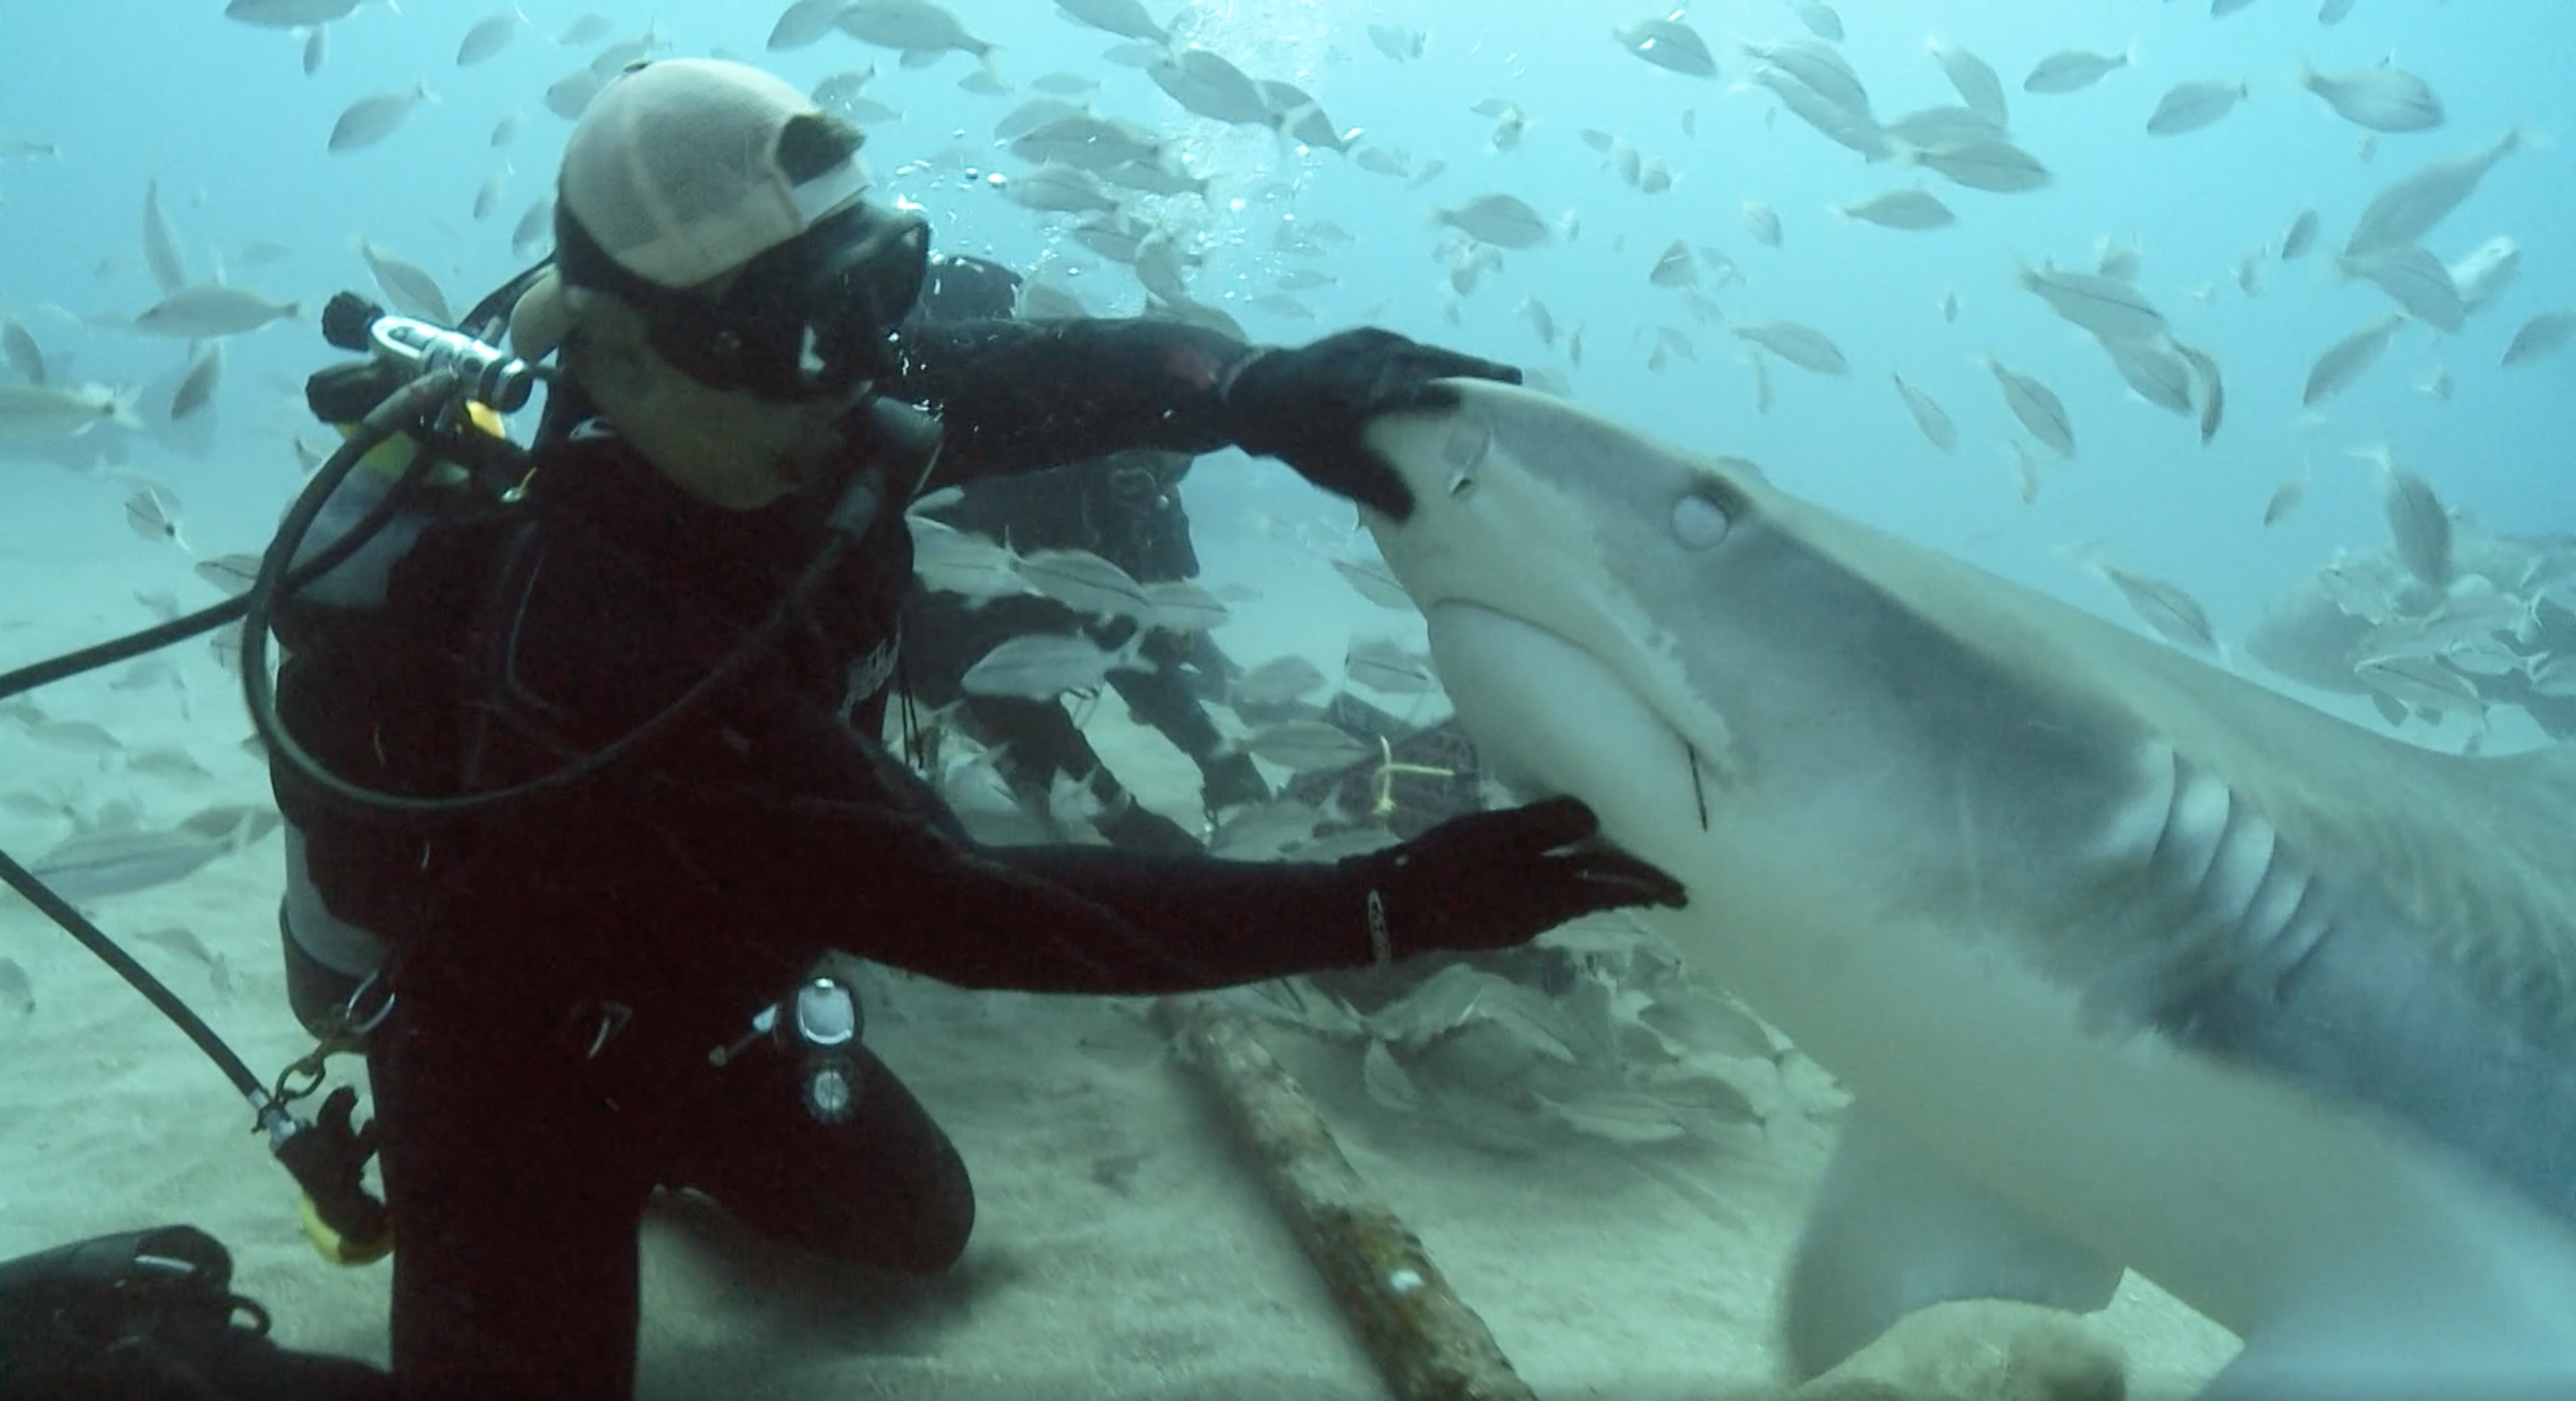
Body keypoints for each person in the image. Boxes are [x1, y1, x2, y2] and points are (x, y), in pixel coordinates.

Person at [264, 58, 1682, 1401]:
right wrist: (1382, 904)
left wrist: (1254, 390)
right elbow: (965, 902)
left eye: (875, 297)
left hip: (712, 1003)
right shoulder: (602, 643)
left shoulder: (778, 410)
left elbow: (1025, 379)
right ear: (619, 353)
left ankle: (685, 1132)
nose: (856, 375)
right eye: (798, 332)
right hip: (519, 1063)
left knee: (917, 1225)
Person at [898, 251, 1267, 853]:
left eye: (1180, 452)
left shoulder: (1144, 496)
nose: (1155, 471)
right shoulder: (1026, 475)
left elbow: (1130, 625)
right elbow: (992, 669)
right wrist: (1121, 817)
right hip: (932, 648)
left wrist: (1216, 754)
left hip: (1001, 642)